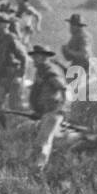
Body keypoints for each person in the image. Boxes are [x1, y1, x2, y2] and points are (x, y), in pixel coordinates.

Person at [27, 44, 69, 172]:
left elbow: (63, 88)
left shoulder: (49, 71)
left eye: (37, 57)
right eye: (34, 57)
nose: (34, 60)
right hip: (46, 110)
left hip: (53, 110)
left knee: (43, 141)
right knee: (43, 139)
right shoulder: (41, 70)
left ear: (44, 58)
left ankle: (38, 168)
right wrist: (37, 111)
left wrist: (63, 107)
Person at [0, 15, 27, 128]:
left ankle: (21, 127)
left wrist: (21, 73)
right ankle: (4, 126)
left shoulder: (11, 38)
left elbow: (23, 56)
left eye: (0, 24)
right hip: (0, 74)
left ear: (7, 25)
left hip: (12, 74)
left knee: (15, 106)